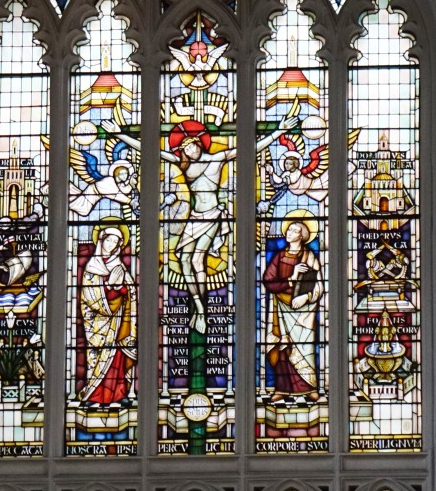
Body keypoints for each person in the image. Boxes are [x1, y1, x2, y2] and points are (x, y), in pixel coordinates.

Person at [104, 105, 298, 333]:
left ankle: (201, 311)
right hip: (195, 217)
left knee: (197, 260)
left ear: (199, 143)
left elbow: (249, 148)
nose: (190, 150)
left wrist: (278, 132)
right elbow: (151, 150)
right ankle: (198, 306)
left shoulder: (218, 158)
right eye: (185, 148)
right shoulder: (184, 165)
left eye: (191, 145)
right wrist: (120, 134)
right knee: (183, 258)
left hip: (213, 214)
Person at [262, 211, 323, 402]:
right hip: (281, 306)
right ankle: (281, 389)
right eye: (288, 230)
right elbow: (268, 281)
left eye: (294, 230)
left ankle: (309, 386)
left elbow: (319, 285)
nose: (289, 233)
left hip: (304, 312)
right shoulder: (279, 256)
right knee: (282, 348)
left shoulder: (309, 257)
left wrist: (306, 297)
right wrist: (291, 278)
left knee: (304, 349)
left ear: (302, 235)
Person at [80, 220, 137, 405]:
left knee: (117, 355)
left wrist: (120, 289)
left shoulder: (119, 266)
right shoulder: (91, 267)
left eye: (115, 242)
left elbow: (130, 292)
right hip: (98, 322)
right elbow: (89, 297)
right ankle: (93, 395)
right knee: (97, 357)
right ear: (101, 241)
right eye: (109, 241)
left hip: (118, 320)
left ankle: (120, 394)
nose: (111, 245)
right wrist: (109, 288)